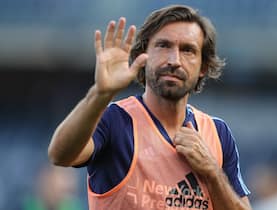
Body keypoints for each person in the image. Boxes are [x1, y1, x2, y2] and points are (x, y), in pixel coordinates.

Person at [48, 4, 251, 210]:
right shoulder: (115, 120)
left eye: (188, 50)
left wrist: (212, 173)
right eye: (163, 46)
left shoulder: (218, 133)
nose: (174, 60)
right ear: (142, 57)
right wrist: (101, 94)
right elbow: (60, 155)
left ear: (203, 67)